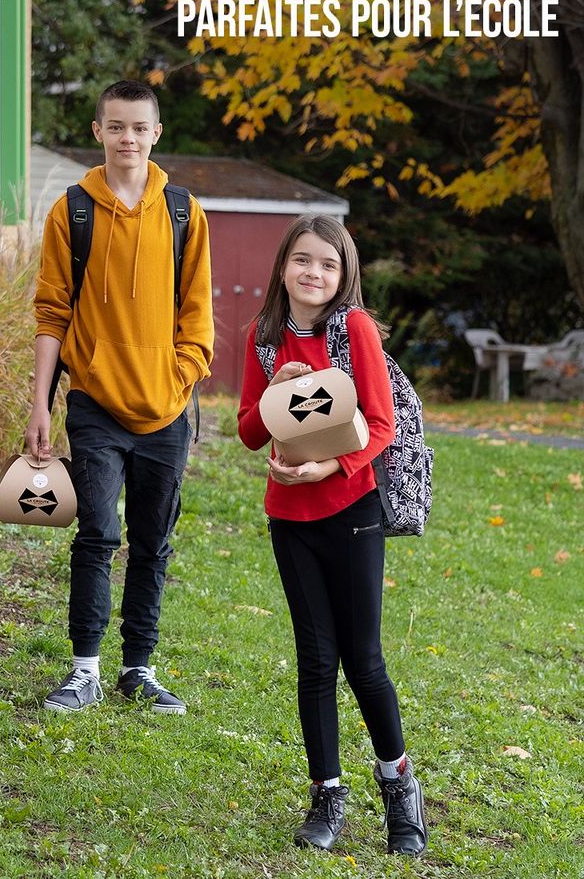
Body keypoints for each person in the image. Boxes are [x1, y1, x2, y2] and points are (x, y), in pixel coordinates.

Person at [237, 215, 427, 856]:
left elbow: (381, 424)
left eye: (328, 264)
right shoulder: (264, 337)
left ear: (343, 275)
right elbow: (248, 430)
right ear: (283, 267)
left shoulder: (356, 331)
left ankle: (400, 790)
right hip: (289, 519)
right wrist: (275, 390)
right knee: (316, 662)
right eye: (302, 260)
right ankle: (327, 795)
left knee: (364, 661)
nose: (313, 273)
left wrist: (332, 466)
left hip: (353, 511)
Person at [25, 80, 214, 715]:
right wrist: (39, 406)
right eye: (116, 127)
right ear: (98, 131)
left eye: (139, 128)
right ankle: (84, 669)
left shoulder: (185, 212)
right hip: (95, 404)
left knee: (154, 538)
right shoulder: (71, 211)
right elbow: (52, 314)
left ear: (156, 134)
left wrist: (179, 376)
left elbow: (198, 316)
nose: (127, 138)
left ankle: (140, 667)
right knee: (99, 531)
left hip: (166, 410)